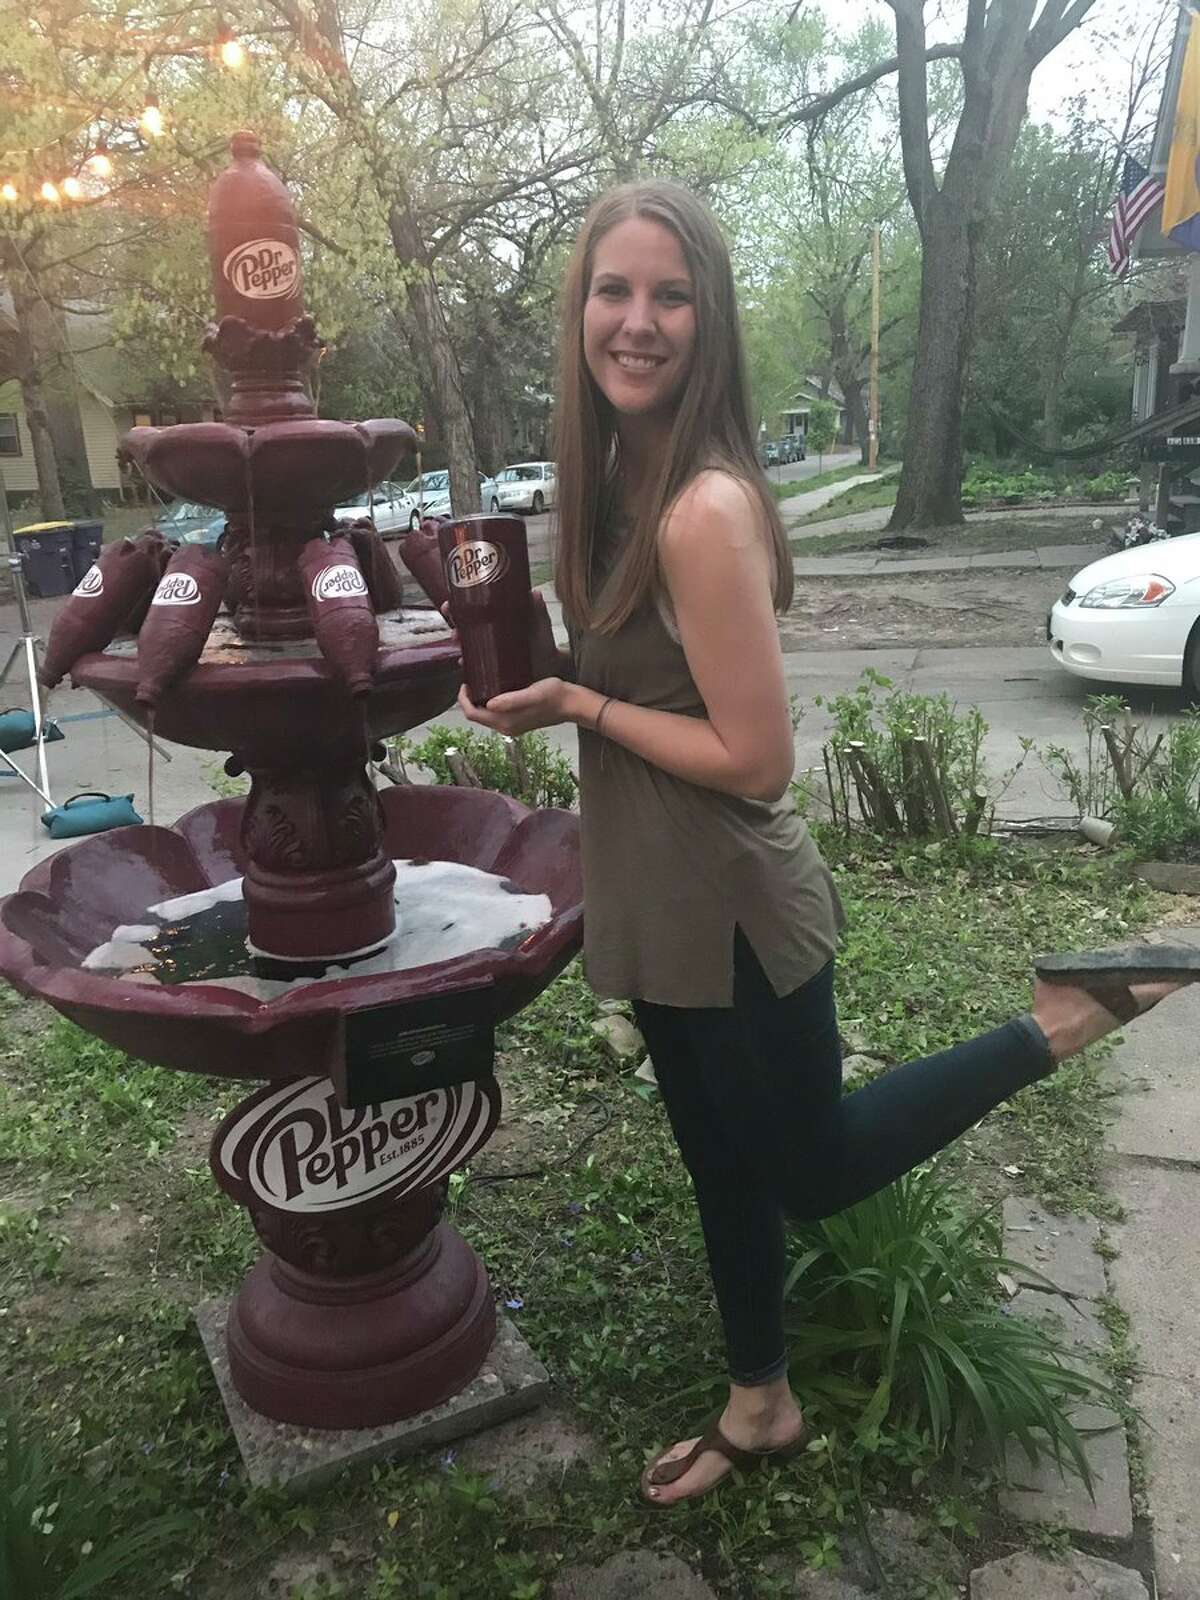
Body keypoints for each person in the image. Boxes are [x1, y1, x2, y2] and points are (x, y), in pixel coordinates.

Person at [457, 180, 1190, 1508]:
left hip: (731, 900)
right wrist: (531, 673)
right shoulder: (617, 475)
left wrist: (575, 700)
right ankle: (762, 1404)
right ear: (577, 311)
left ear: (711, 318)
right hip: (655, 896)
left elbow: (755, 757)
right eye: (613, 291)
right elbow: (648, 678)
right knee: (714, 1163)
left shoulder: (701, 507)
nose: (637, 320)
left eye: (670, 294)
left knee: (810, 1165)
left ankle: (1063, 1019)